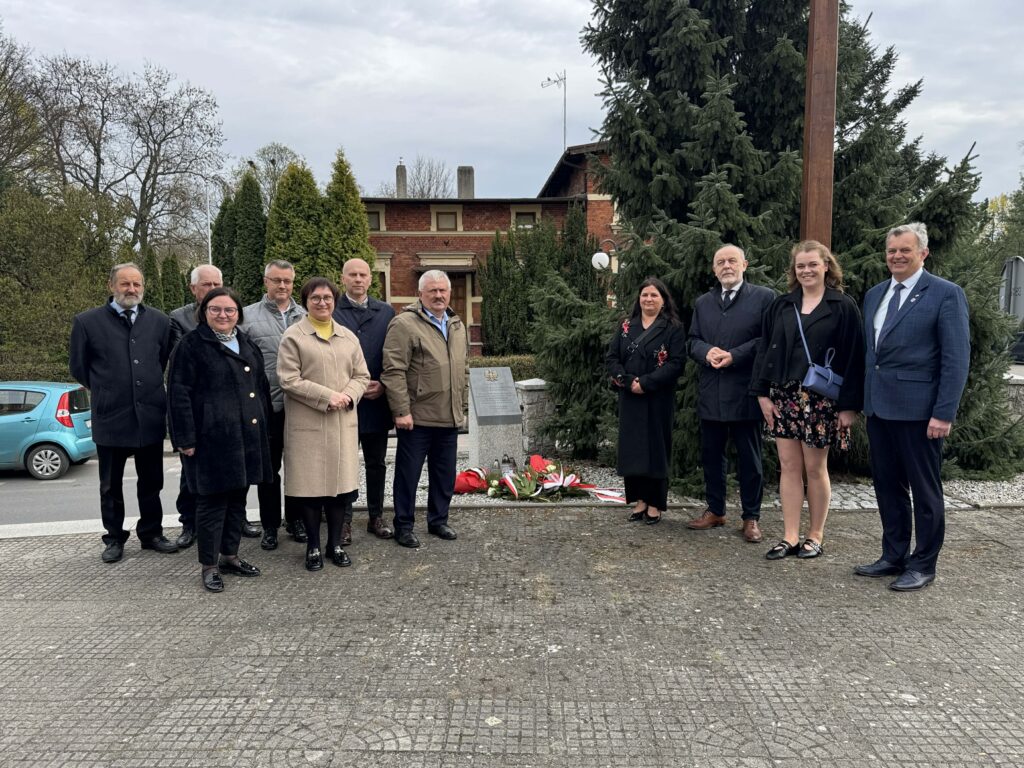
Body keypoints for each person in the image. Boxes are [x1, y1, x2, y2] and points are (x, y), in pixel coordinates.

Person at [855, 222, 970, 591]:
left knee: (924, 491)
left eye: (905, 250)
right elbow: (871, 356)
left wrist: (944, 412)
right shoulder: (875, 295)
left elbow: (956, 358)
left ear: (923, 253)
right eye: (892, 250)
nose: (897, 256)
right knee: (887, 486)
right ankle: (893, 555)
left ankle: (923, 565)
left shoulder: (945, 294)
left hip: (920, 412)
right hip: (879, 409)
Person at [750, 241, 865, 561]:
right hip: (784, 395)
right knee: (788, 466)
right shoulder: (782, 305)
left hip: (822, 399)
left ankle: (815, 536)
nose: (806, 270)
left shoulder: (843, 306)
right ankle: (789, 536)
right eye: (800, 266)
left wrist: (849, 406)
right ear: (794, 270)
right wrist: (762, 394)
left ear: (827, 266)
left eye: (813, 264)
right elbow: (765, 350)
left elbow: (855, 358)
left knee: (815, 468)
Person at [70, 263, 178, 563]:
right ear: (111, 286)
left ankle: (151, 533)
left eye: (137, 284)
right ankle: (114, 538)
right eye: (125, 284)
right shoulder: (87, 322)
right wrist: (107, 389)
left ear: (143, 287)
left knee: (152, 482)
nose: (131, 289)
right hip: (111, 416)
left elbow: (161, 360)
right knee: (110, 485)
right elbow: (79, 366)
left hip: (149, 416)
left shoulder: (159, 321)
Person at [167, 287, 273, 592]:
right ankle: (209, 565)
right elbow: (178, 395)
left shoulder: (246, 343)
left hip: (246, 438)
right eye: (215, 309)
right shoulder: (191, 345)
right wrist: (185, 438)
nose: (223, 315)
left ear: (238, 314)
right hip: (210, 441)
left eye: (229, 310)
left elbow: (261, 389)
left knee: (237, 501)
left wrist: (264, 430)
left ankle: (230, 556)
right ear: (205, 312)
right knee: (212, 504)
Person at [278, 277, 370, 571]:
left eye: (327, 298)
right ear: (306, 302)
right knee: (311, 490)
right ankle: (313, 547)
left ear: (334, 301)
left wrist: (348, 396)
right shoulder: (294, 336)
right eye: (315, 298)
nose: (322, 303)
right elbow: (288, 379)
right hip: (308, 425)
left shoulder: (347, 337)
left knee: (340, 491)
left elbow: (362, 375)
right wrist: (327, 396)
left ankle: (335, 544)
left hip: (342, 423)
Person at [687, 245, 776, 542]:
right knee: (712, 456)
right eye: (720, 262)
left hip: (746, 390)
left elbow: (768, 339)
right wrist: (705, 351)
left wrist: (734, 355)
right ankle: (716, 510)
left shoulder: (764, 298)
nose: (726, 266)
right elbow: (692, 340)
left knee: (750, 459)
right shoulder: (703, 303)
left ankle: (751, 517)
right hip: (711, 390)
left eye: (732, 261)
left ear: (744, 265)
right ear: (714, 270)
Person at [381, 270, 468, 548]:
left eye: (443, 290)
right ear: (420, 294)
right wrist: (401, 411)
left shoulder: (456, 324)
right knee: (408, 476)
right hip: (416, 417)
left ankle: (438, 520)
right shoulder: (404, 324)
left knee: (444, 474)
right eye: (432, 290)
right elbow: (393, 370)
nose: (438, 295)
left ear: (449, 293)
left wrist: (462, 406)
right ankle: (404, 526)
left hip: (449, 416)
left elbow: (463, 369)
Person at [605, 277, 687, 524]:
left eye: (654, 295)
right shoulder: (626, 326)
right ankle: (639, 500)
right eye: (645, 295)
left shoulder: (673, 328)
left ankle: (655, 504)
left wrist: (646, 383)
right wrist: (627, 381)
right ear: (638, 299)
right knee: (634, 450)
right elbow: (612, 357)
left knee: (656, 449)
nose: (648, 299)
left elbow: (676, 363)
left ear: (663, 301)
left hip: (658, 398)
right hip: (630, 397)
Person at [240, 259, 308, 549]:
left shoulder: (306, 316)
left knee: (298, 468)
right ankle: (270, 525)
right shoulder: (246, 317)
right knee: (268, 471)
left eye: (287, 281)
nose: (282, 285)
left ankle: (296, 520)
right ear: (265, 281)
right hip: (266, 407)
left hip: (300, 407)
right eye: (276, 280)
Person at [332, 257, 396, 543]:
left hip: (376, 401)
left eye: (363, 275)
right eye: (352, 275)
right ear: (343, 278)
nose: (358, 279)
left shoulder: (386, 312)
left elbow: (393, 353)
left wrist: (384, 384)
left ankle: (375, 516)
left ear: (371, 279)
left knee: (376, 463)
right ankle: (344, 521)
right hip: (344, 403)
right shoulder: (332, 310)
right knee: (344, 463)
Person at [167, 264, 223, 549]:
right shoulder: (179, 318)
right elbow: (180, 364)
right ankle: (189, 523)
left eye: (216, 284)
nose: (212, 289)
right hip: (197, 409)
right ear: (193, 288)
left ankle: (233, 521)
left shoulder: (230, 313)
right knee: (191, 474)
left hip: (225, 408)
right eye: (206, 285)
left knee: (229, 470)